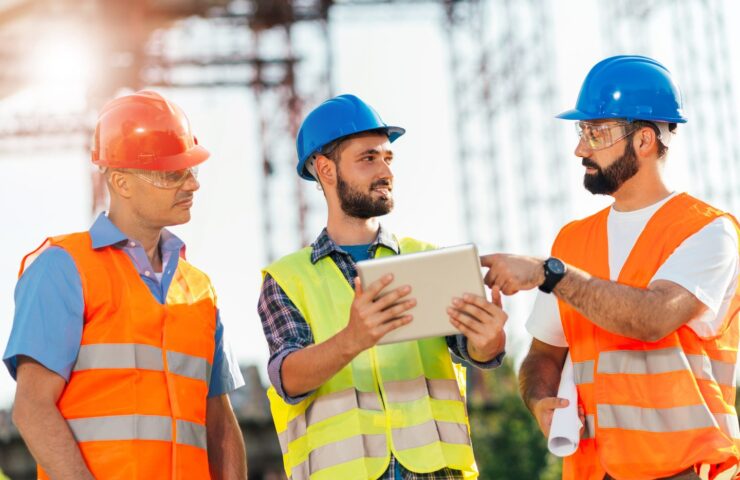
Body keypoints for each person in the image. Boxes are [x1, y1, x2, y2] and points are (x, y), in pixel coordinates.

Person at [481, 55, 740, 480]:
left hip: (686, 470)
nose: (580, 148)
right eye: (582, 132)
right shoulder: (572, 242)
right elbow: (544, 355)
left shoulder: (708, 231)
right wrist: (541, 400)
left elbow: (652, 318)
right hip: (593, 471)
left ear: (643, 140)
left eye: (596, 133)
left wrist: (551, 275)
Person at [258, 94, 508, 479]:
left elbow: (473, 350)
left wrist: (489, 338)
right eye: (368, 158)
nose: (386, 171)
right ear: (325, 169)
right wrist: (353, 339)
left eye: (388, 158)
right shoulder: (288, 280)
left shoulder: (426, 258)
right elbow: (287, 378)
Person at [3, 91, 247, 479]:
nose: (192, 185)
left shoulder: (200, 290)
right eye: (173, 173)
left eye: (191, 171)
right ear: (121, 181)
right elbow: (32, 409)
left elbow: (219, 421)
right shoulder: (64, 268)